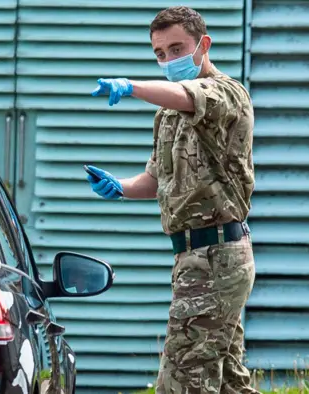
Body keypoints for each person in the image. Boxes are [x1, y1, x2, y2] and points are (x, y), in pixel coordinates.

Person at [85, 6, 260, 394]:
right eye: (160, 54)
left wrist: (131, 86)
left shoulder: (227, 94)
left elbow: (187, 93)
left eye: (177, 49)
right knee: (228, 381)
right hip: (192, 258)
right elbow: (156, 179)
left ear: (204, 45)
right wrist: (122, 186)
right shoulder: (167, 114)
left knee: (183, 379)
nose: (168, 60)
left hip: (217, 255)